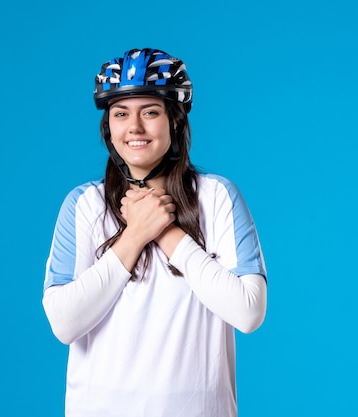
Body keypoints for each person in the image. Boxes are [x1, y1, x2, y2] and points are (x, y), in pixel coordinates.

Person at [42, 48, 267, 417]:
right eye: (120, 113)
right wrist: (134, 236)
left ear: (175, 122)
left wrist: (166, 232)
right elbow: (64, 323)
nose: (134, 127)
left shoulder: (218, 197)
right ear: (108, 127)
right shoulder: (83, 204)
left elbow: (248, 312)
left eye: (150, 112)